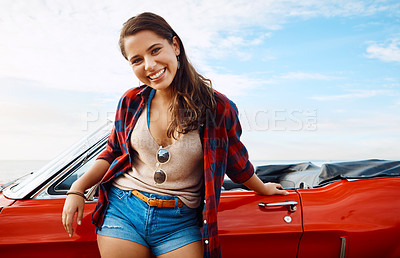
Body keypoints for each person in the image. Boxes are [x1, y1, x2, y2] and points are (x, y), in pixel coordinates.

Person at [62, 12, 288, 258]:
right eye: (137, 60)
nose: (149, 65)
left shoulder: (217, 108)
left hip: (180, 221)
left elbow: (236, 162)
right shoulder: (131, 101)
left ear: (176, 46)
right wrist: (78, 188)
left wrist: (262, 188)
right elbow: (112, 152)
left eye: (155, 50)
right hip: (124, 210)